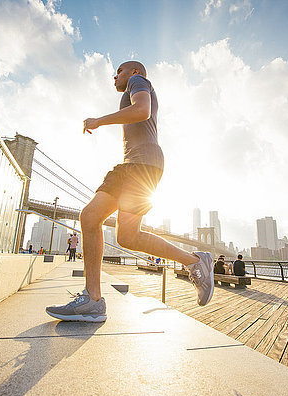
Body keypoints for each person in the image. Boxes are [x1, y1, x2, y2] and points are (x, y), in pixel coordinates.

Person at [46, 61, 214, 322]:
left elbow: (142, 110)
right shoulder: (132, 85)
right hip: (134, 166)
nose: (115, 76)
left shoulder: (138, 82)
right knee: (115, 231)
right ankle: (193, 261)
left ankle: (92, 299)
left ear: (134, 72)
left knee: (95, 219)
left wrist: (99, 121)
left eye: (119, 72)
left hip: (141, 165)